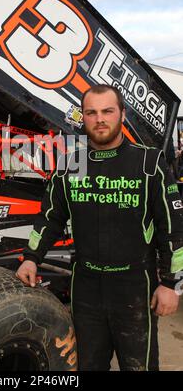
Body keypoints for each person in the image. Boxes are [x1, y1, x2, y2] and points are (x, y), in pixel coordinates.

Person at [15, 84, 183, 371]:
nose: (100, 119)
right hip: (85, 287)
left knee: (139, 367)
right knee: (89, 366)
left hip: (135, 287)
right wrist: (31, 257)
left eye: (107, 111)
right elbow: (51, 217)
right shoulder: (72, 164)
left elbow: (174, 228)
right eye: (91, 113)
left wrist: (171, 284)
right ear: (84, 117)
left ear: (122, 114)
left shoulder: (148, 161)